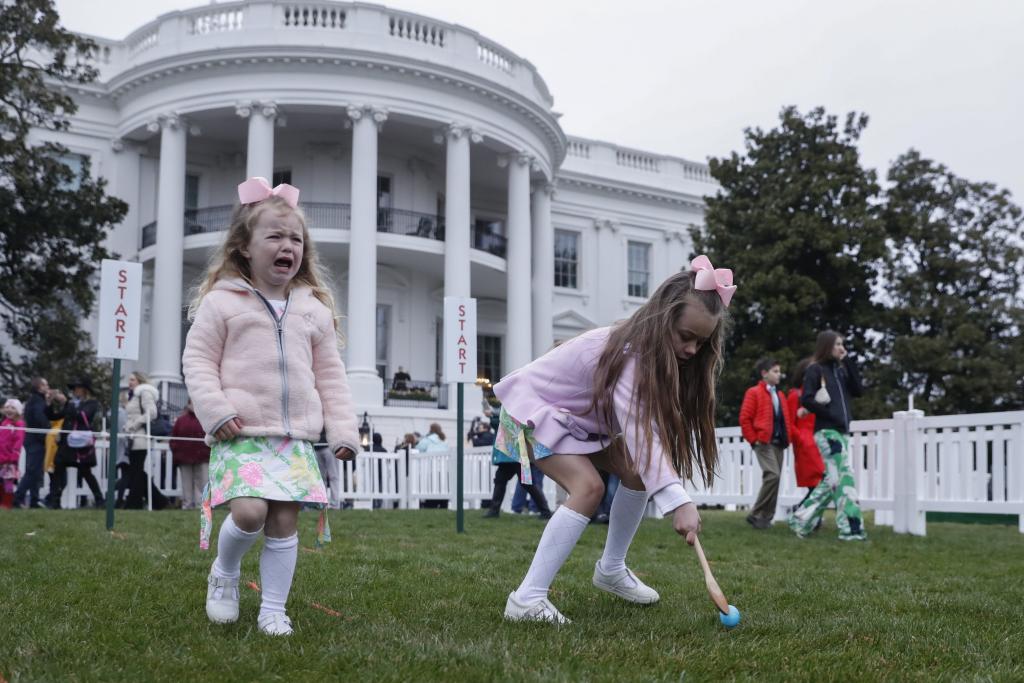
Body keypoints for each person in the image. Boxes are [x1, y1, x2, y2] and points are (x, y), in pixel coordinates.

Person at [494, 255, 734, 624]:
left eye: (701, 343)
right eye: (686, 337)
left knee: (635, 470)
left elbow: (643, 437)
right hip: (528, 414)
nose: (691, 350)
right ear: (662, 319)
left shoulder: (650, 355)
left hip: (573, 423)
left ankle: (611, 568)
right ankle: (527, 598)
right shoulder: (630, 354)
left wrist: (668, 491)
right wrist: (676, 501)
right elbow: (640, 430)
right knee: (588, 487)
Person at [183, 176, 360, 636]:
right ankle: (224, 572)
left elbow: (331, 377)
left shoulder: (312, 311)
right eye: (276, 236)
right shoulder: (222, 303)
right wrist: (215, 409)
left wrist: (342, 431)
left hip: (295, 436)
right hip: (239, 430)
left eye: (296, 239)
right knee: (250, 513)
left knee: (284, 521)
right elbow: (198, 360)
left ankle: (273, 610)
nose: (288, 246)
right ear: (244, 246)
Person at [788, 330, 867, 541]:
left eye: (843, 344)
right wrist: (830, 413)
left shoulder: (841, 372)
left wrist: (848, 361)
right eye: (837, 344)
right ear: (827, 346)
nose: (842, 348)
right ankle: (852, 529)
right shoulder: (815, 370)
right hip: (826, 432)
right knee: (844, 478)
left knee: (831, 481)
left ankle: (800, 520)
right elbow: (806, 399)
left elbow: (859, 390)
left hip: (842, 432)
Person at [738, 357, 794, 529]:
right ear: (764, 373)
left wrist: (787, 438)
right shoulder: (754, 392)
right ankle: (756, 512)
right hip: (763, 442)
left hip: (779, 442)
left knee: (775, 479)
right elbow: (745, 418)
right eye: (775, 371)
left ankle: (765, 519)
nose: (779, 375)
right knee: (773, 475)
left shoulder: (780, 395)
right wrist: (753, 440)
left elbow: (784, 419)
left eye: (779, 371)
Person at [49, 378, 105, 509]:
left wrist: (66, 402)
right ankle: (55, 501)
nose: (75, 390)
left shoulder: (92, 403)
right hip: (66, 444)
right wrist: (50, 402)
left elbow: (82, 416)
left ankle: (99, 500)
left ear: (85, 390)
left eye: (78, 388)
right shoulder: (71, 403)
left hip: (80, 445)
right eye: (74, 388)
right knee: (58, 468)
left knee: (85, 472)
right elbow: (54, 416)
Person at [483, 420, 553, 519]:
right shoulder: (505, 411)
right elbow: (497, 425)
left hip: (520, 452)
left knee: (528, 484)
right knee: (500, 480)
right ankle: (494, 510)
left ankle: (545, 512)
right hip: (508, 453)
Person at [122, 371, 167, 510]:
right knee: (137, 472)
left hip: (140, 438)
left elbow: (152, 413)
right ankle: (158, 500)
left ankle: (135, 503)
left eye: (132, 379)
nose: (130, 382)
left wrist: (134, 425)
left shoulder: (144, 392)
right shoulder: (134, 395)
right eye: (129, 380)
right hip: (134, 438)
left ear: (139, 381)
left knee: (136, 471)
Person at [787, 357, 824, 496]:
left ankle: (806, 515)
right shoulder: (795, 395)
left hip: (818, 441)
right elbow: (789, 423)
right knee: (816, 483)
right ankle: (804, 514)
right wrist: (801, 439)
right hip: (806, 445)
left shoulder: (818, 394)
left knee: (819, 483)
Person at [13, 378, 49, 508]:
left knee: (37, 471)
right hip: (36, 440)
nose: (48, 387)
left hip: (32, 439)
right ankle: (17, 497)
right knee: (32, 470)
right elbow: (40, 417)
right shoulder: (38, 401)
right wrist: (48, 429)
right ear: (40, 387)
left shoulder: (34, 400)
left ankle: (35, 499)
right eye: (45, 385)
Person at [169, 399, 210, 511]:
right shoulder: (181, 421)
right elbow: (174, 439)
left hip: (202, 457)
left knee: (202, 482)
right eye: (192, 402)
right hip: (185, 458)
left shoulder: (206, 419)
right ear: (188, 403)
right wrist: (177, 452)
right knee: (186, 483)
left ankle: (200, 505)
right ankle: (187, 505)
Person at [1, 398, 26, 509]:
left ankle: (7, 503)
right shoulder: (4, 423)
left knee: (8, 482)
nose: (9, 410)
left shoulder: (19, 424)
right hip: (1, 457)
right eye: (7, 407)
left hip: (10, 459)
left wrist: (14, 455)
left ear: (18, 411)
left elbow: (18, 441)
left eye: (12, 408)